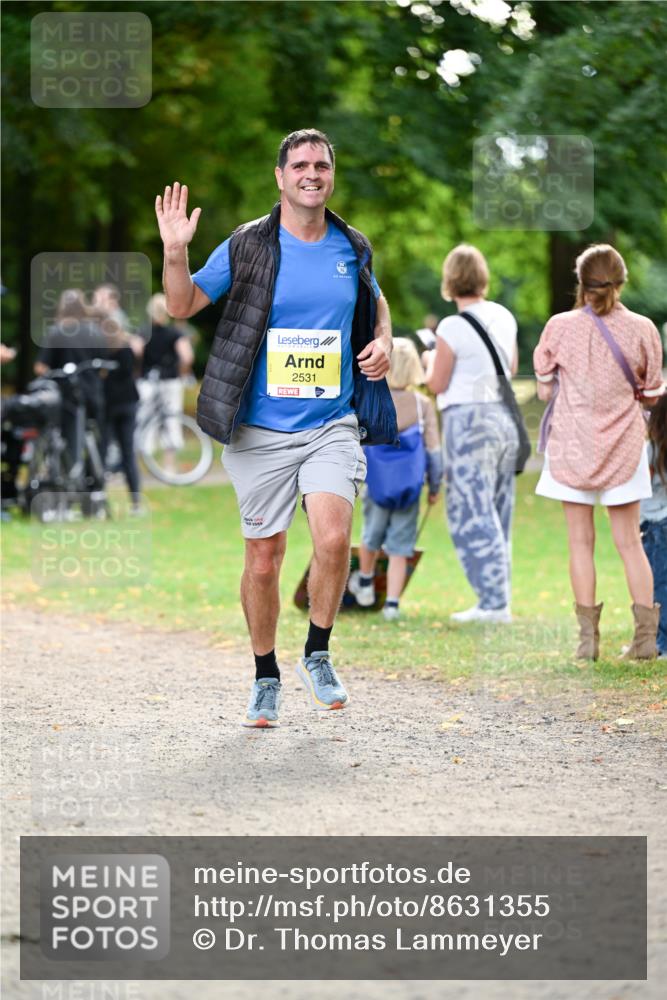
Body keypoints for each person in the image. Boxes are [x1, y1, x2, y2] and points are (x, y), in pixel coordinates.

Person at [155, 128, 396, 727]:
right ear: (281, 177)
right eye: (300, 166)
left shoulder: (351, 245)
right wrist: (176, 252)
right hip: (259, 429)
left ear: (331, 175)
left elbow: (376, 300)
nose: (311, 174)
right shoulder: (249, 246)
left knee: (335, 539)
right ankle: (266, 673)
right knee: (264, 560)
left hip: (330, 422)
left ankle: (317, 650)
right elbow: (182, 306)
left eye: (321, 165)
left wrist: (385, 338)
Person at [534, 244, 664, 660]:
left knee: (579, 542)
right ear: (621, 281)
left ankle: (587, 644)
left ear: (581, 282)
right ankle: (645, 641)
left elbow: (542, 386)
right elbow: (652, 392)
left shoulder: (559, 327)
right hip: (624, 447)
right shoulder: (644, 328)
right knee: (630, 542)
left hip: (572, 447)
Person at [424, 244, 519, 624]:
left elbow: (437, 381)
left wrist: (429, 361)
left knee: (471, 512)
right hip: (503, 416)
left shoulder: (451, 326)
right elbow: (510, 365)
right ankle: (498, 598)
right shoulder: (504, 315)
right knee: (498, 509)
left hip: (468, 420)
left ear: (450, 280)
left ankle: (493, 603)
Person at [348, 338, 442, 620]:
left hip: (376, 485)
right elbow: (435, 452)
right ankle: (392, 604)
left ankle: (365, 580)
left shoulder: (372, 400)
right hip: (409, 488)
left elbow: (358, 443)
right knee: (401, 547)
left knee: (371, 537)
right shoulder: (422, 404)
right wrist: (435, 486)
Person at [137, 294, 194, 472]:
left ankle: (143, 465)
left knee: (145, 420)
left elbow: (136, 353)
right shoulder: (175, 333)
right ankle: (168, 466)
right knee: (171, 420)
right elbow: (187, 357)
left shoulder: (142, 332)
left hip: (147, 381)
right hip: (170, 381)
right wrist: (181, 373)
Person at [100, 317, 142, 512]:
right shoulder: (127, 349)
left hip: (111, 406)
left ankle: (99, 499)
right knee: (127, 453)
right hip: (128, 404)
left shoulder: (105, 353)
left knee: (103, 451)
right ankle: (135, 502)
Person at [641, 395, 667, 657]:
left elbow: (641, 484)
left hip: (655, 527)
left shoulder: (652, 450)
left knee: (658, 585)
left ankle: (663, 642)